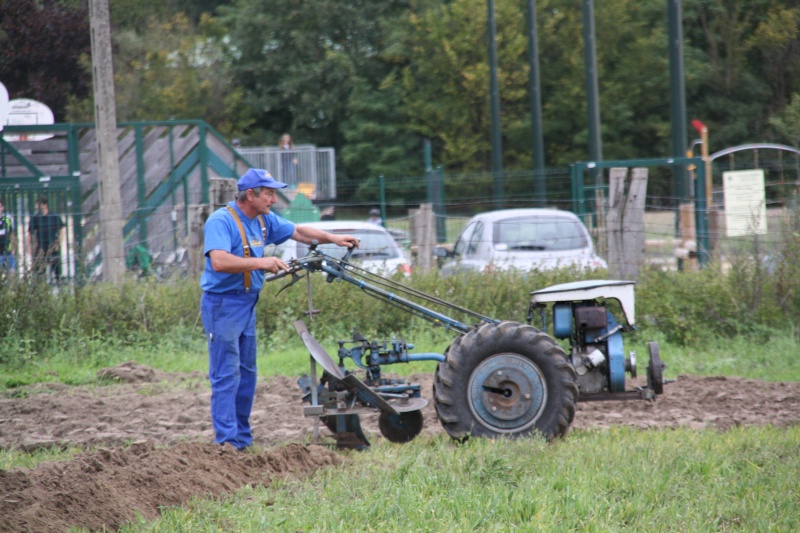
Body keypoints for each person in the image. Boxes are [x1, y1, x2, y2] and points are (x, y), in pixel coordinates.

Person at [200, 168, 359, 451]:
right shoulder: (221, 221)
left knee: (247, 373)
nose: (274, 199)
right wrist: (262, 263)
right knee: (227, 374)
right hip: (223, 304)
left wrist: (333, 238)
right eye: (269, 193)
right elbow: (220, 261)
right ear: (251, 195)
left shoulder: (263, 221)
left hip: (248, 303)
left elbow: (297, 231)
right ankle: (226, 444)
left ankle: (242, 440)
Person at [28, 197, 65, 282]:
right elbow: (30, 233)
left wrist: (58, 243)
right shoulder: (35, 218)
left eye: (38, 205)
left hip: (53, 247)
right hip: (40, 248)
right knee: (40, 271)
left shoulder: (54, 216)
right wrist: (31, 246)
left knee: (57, 270)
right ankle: (42, 288)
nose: (36, 207)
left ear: (44, 205)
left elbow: (62, 229)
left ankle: (60, 286)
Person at [0, 199, 16, 271]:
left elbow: (12, 234)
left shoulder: (7, 219)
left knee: (12, 272)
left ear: (3, 207)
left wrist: (13, 247)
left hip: (7, 251)